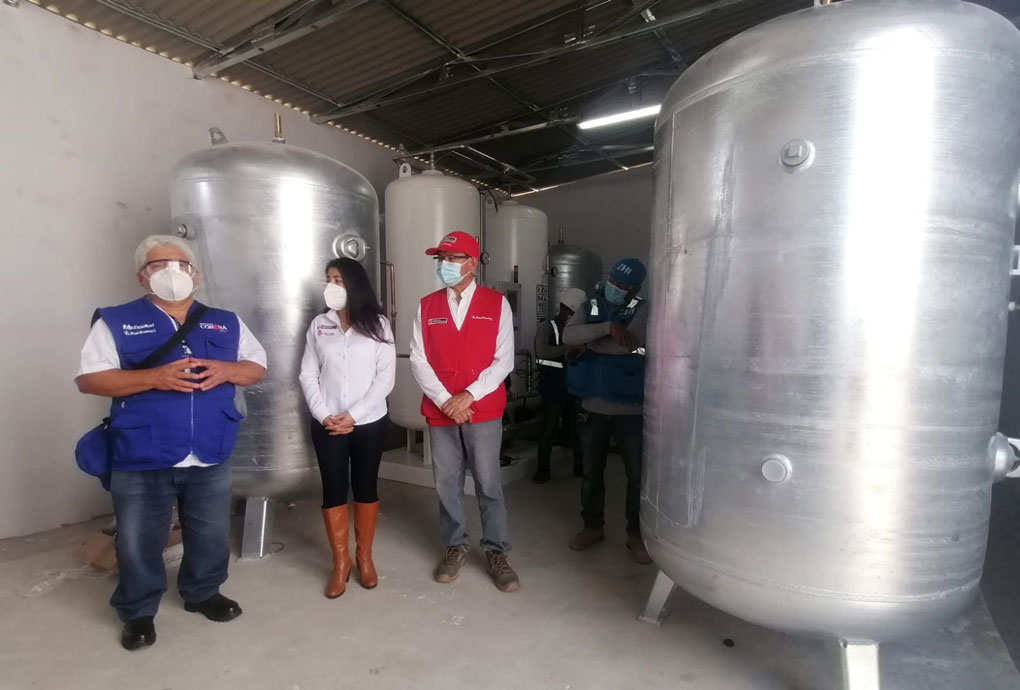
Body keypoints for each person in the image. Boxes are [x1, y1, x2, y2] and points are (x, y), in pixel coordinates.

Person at [75, 235, 267, 651]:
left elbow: (256, 367)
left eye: (181, 265)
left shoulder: (225, 321)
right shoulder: (117, 320)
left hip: (209, 448)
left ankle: (203, 592)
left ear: (196, 274)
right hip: (142, 451)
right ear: (141, 276)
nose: (172, 272)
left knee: (210, 531)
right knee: (138, 538)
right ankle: (138, 611)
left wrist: (227, 370)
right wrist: (153, 378)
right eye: (159, 265)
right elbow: (89, 379)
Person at [409, 231, 520, 592]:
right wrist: (447, 400)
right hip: (441, 410)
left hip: (482, 409)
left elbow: (503, 361)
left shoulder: (496, 304)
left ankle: (496, 550)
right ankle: (454, 544)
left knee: (488, 483)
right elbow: (419, 359)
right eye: (440, 259)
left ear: (472, 263)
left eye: (452, 258)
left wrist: (468, 395)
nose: (444, 265)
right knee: (447, 483)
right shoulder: (427, 306)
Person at [299, 257, 395, 599]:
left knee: (365, 487)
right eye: (328, 279)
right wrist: (323, 414)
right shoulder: (319, 325)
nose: (332, 285)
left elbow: (385, 379)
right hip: (327, 422)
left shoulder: (378, 325)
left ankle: (364, 558)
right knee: (334, 490)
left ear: (354, 283)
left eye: (338, 279)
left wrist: (353, 415)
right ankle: (340, 562)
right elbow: (308, 373)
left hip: (368, 422)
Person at [563, 258, 652, 564]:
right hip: (592, 407)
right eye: (613, 280)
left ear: (635, 289)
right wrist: (607, 328)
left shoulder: (643, 309)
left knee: (637, 477)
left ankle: (636, 535)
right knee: (591, 472)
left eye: (624, 285)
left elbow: (626, 345)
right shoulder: (590, 307)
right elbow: (568, 337)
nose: (616, 287)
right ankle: (592, 527)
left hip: (631, 411)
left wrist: (590, 341)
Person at [532, 287, 589, 484]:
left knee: (574, 428)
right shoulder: (547, 327)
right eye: (574, 312)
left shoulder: (579, 327)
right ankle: (543, 469)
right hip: (552, 387)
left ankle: (580, 464)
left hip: (573, 386)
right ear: (566, 309)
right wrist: (569, 348)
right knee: (548, 428)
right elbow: (542, 351)